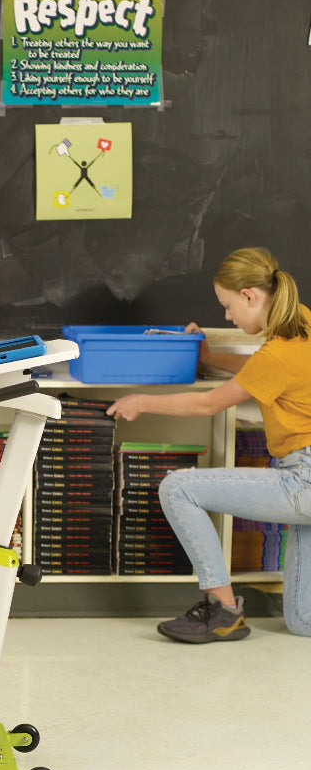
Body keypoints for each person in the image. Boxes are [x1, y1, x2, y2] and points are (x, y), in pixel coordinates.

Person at [107, 247, 311, 643]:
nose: (227, 316)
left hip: (303, 480)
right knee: (302, 620)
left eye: (229, 306)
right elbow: (265, 371)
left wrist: (140, 401)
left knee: (178, 487)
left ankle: (224, 609)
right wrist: (214, 357)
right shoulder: (300, 323)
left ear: (251, 295)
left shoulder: (280, 352)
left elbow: (208, 404)